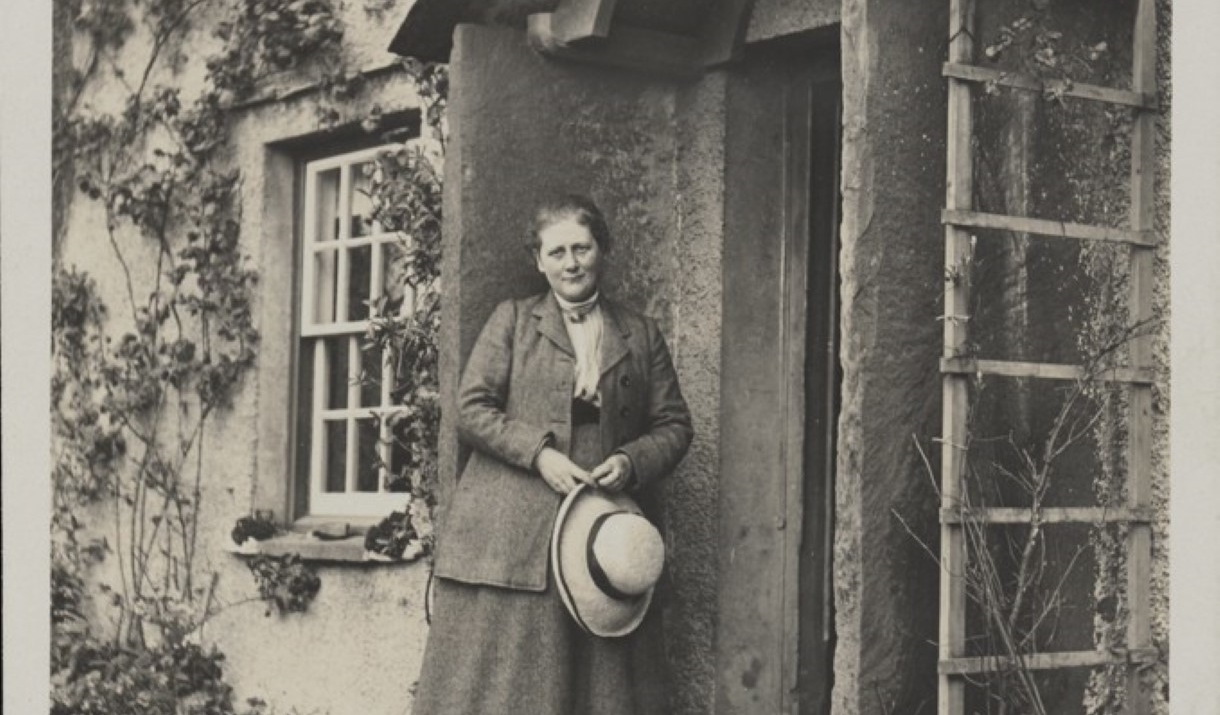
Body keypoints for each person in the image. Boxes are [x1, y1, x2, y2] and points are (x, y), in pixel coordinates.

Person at [412, 194, 694, 715]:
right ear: (538, 260)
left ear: (602, 251)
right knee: (519, 670)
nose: (572, 262)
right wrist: (538, 454)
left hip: (600, 519)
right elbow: (471, 409)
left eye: (582, 248)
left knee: (603, 674)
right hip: (516, 516)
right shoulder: (513, 322)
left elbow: (675, 424)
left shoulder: (640, 332)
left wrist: (631, 461)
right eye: (558, 251)